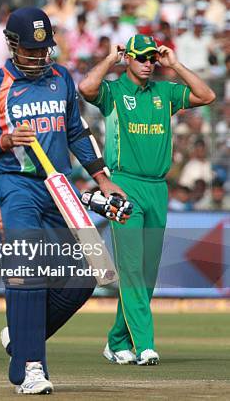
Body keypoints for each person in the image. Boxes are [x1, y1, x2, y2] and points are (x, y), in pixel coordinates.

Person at [0, 7, 124, 394]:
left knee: (87, 276)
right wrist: (2, 141)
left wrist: (103, 179)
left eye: (43, 50)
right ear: (12, 45)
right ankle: (31, 367)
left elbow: (76, 131)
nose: (38, 57)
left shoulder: (61, 79)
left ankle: (21, 341)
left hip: (60, 187)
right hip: (17, 186)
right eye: (31, 51)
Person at [78, 34, 215, 366]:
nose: (148, 63)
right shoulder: (114, 92)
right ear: (129, 59)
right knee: (132, 268)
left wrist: (176, 64)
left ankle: (116, 340)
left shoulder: (164, 92)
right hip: (123, 186)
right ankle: (145, 345)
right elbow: (85, 88)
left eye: (152, 58)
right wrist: (111, 58)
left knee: (148, 272)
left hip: (157, 187)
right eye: (141, 57)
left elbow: (207, 95)